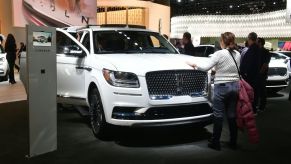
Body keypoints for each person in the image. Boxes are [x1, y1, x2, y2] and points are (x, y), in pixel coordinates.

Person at [188, 32, 240, 151]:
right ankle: (233, 142)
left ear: (222, 41)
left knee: (218, 115)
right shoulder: (238, 54)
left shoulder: (219, 54)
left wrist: (194, 65)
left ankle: (215, 142)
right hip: (235, 87)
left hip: (222, 87)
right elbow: (233, 69)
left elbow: (205, 68)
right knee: (232, 116)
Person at [240, 32, 261, 114]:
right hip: (254, 75)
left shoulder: (253, 49)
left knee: (250, 93)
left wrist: (245, 73)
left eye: (248, 39)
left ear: (249, 39)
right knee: (254, 92)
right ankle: (252, 109)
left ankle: (250, 110)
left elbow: (249, 63)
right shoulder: (257, 48)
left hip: (250, 76)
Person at [257, 38, 271, 112]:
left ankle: (262, 106)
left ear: (260, 43)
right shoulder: (257, 51)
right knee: (259, 90)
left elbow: (265, 64)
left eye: (257, 42)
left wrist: (260, 73)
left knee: (262, 90)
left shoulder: (265, 52)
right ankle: (259, 105)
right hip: (258, 74)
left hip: (261, 74)